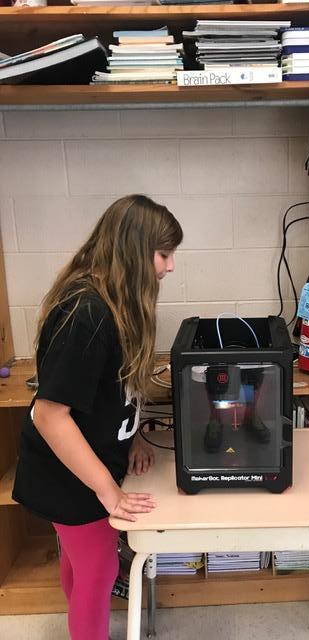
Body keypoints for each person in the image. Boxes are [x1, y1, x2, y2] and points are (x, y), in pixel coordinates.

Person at [12, 194, 183, 640]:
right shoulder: (85, 313)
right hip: (68, 474)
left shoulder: (118, 301)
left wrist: (134, 436)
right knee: (99, 569)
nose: (170, 267)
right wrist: (108, 490)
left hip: (89, 462)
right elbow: (50, 415)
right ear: (135, 250)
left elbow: (115, 388)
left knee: (83, 565)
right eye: (164, 254)